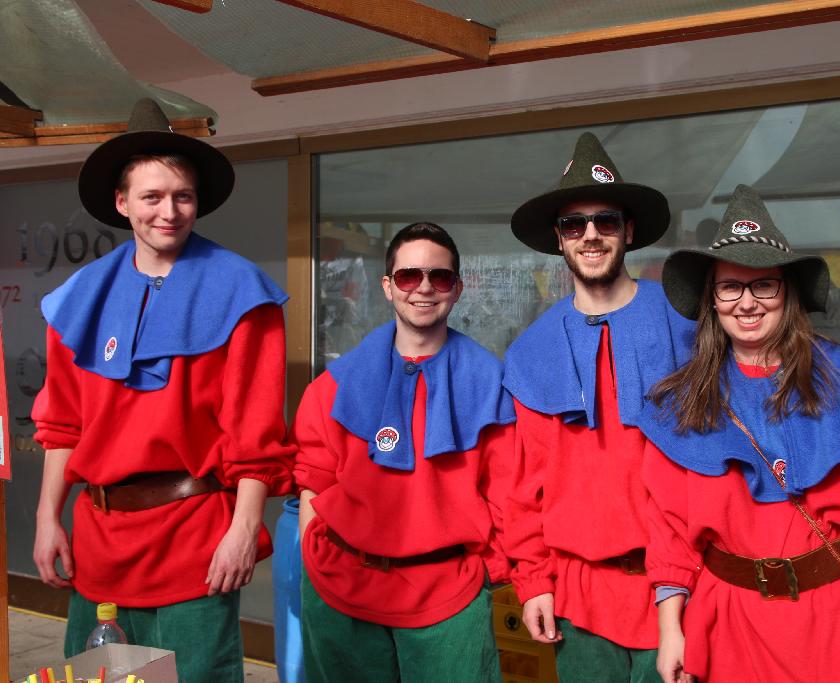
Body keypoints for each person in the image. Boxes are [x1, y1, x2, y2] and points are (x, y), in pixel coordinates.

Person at [31, 98, 293, 682]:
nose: (169, 212)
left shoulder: (242, 293)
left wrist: (243, 530)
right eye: (151, 197)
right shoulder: (80, 297)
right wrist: (49, 517)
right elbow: (63, 425)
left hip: (194, 538)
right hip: (99, 544)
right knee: (99, 678)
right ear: (122, 203)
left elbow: (255, 434)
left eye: (183, 197)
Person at [641, 185, 840, 683]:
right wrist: (672, 630)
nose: (746, 303)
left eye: (764, 286)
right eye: (730, 287)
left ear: (788, 292)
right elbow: (668, 531)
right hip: (728, 624)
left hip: (835, 617)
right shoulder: (680, 402)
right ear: (712, 298)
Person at [503, 132, 695, 682]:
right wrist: (532, 580)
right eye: (574, 224)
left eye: (605, 221)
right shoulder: (531, 352)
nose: (590, 235)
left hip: (684, 591)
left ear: (628, 231)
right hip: (579, 596)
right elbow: (521, 484)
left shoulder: (689, 328)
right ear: (559, 239)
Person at [292, 222, 515, 683]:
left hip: (448, 594)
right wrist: (314, 561)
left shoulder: (491, 384)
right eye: (409, 276)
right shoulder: (330, 387)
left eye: (440, 276)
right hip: (341, 589)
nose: (424, 288)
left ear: (457, 289)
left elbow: (507, 491)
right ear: (388, 286)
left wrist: (486, 573)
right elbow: (314, 480)